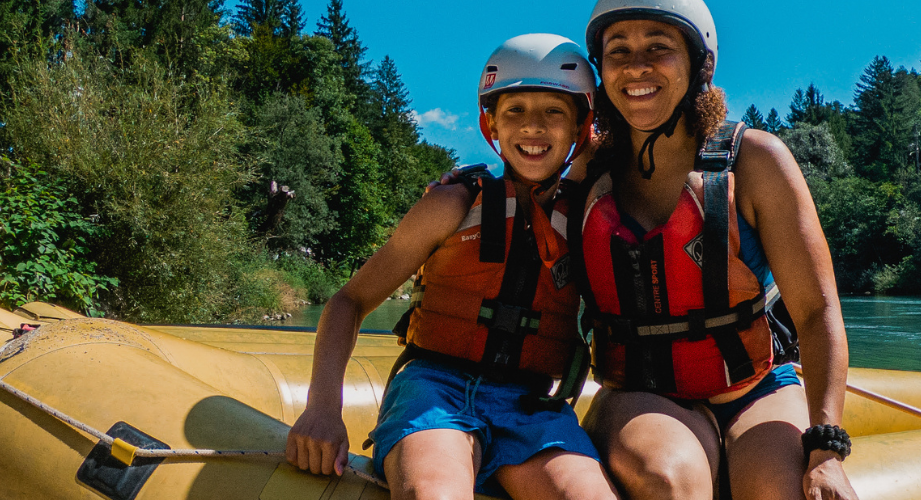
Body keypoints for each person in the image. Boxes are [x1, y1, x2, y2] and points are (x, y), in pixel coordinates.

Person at [285, 34, 619, 500]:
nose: (533, 127)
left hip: (532, 405)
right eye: (515, 111)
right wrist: (322, 408)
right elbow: (350, 301)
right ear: (492, 126)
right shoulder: (453, 205)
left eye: (554, 112)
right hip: (435, 390)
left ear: (580, 129)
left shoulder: (584, 214)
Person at [575, 1, 859, 499]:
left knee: (783, 491)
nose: (636, 66)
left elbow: (816, 312)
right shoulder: (586, 174)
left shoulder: (757, 161)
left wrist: (826, 449)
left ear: (699, 63)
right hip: (640, 392)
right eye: (618, 51)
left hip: (756, 387)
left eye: (658, 48)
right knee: (669, 480)